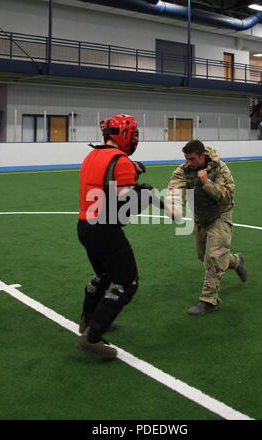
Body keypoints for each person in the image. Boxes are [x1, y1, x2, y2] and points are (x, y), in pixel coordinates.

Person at [77, 114, 158, 358]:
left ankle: (87, 319)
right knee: (127, 283)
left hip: (85, 225)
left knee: (102, 275)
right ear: (121, 136)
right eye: (133, 134)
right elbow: (124, 209)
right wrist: (146, 195)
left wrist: (132, 176)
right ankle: (92, 337)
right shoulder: (120, 160)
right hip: (105, 230)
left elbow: (104, 187)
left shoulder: (92, 155)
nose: (135, 139)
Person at [167, 139, 247, 315]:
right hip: (200, 217)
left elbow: (226, 196)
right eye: (187, 158)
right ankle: (235, 260)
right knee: (203, 255)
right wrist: (174, 206)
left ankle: (209, 300)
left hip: (220, 215)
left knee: (213, 256)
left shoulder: (220, 168)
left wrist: (207, 183)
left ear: (203, 155)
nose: (189, 162)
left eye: (193, 159)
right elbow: (175, 188)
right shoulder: (184, 170)